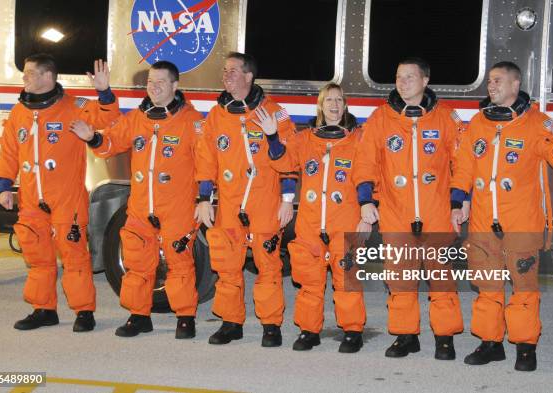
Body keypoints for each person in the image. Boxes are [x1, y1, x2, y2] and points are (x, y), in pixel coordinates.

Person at [450, 61, 553, 371]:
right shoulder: (478, 123)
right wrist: (459, 202)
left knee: (524, 288)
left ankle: (525, 347)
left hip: (521, 222)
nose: (490, 86)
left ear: (514, 85)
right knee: (487, 285)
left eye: (496, 80)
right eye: (489, 81)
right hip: (482, 221)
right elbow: (464, 167)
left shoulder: (537, 123)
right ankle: (491, 343)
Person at [70, 61, 204, 339]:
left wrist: (203, 198)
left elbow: (206, 164)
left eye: (161, 82)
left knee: (180, 264)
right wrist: (92, 138)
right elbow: (110, 145)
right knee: (136, 263)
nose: (154, 88)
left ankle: (185, 317)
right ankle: (139, 316)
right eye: (150, 82)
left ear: (175, 86)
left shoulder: (192, 122)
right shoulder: (137, 119)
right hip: (142, 206)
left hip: (176, 206)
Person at [0, 54, 120, 332]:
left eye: (29, 73)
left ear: (47, 77)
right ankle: (43, 309)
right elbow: (10, 151)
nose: (24, 78)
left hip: (67, 198)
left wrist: (104, 92)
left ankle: (84, 311)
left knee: (74, 255)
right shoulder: (20, 112)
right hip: (31, 199)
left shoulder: (74, 107)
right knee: (38, 257)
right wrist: (5, 186)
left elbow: (108, 118)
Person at [353, 58, 465, 359]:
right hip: (396, 212)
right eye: (399, 77)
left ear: (426, 80)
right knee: (400, 279)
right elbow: (365, 163)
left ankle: (445, 337)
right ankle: (406, 335)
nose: (403, 83)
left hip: (436, 212)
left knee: (441, 278)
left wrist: (458, 203)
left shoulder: (445, 118)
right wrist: (365, 200)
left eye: (410, 77)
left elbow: (462, 164)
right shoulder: (381, 118)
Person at [194, 52, 296, 347]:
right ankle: (231, 322)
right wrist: (203, 199)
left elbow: (290, 161)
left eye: (233, 71)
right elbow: (206, 160)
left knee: (268, 267)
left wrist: (287, 200)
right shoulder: (216, 116)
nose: (226, 76)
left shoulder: (275, 112)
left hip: (264, 203)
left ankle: (270, 324)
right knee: (227, 267)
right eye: (224, 71)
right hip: (229, 205)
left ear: (249, 76)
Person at [266, 83, 369, 353]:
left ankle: (352, 332)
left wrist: (367, 216)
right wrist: (272, 138)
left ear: (345, 106)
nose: (334, 105)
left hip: (344, 220)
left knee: (346, 280)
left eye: (338, 100)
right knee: (309, 281)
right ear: (320, 107)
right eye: (328, 101)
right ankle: (309, 331)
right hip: (311, 223)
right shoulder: (304, 139)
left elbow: (369, 176)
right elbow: (283, 163)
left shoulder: (359, 139)